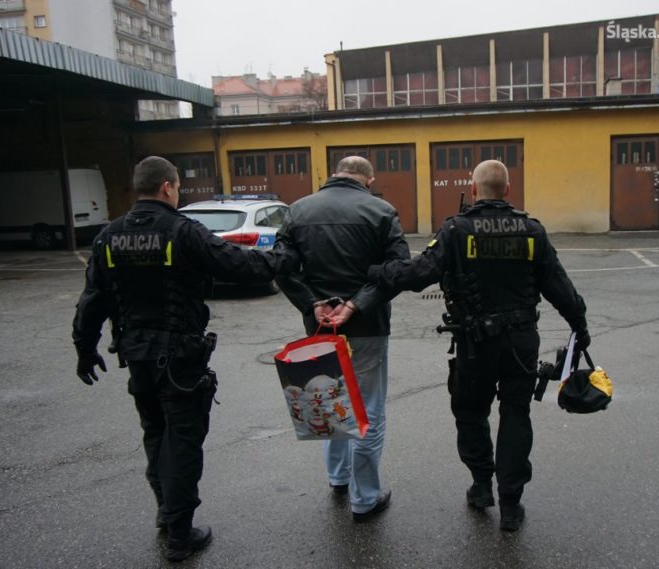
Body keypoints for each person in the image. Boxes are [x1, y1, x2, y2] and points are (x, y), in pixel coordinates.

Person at [72, 156, 299, 562]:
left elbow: (92, 300)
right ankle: (179, 532)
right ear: (167, 187)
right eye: (176, 186)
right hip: (180, 359)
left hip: (137, 357)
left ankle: (166, 510)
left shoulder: (108, 237)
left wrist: (84, 348)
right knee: (183, 440)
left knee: (155, 433)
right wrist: (285, 253)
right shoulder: (183, 232)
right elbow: (245, 266)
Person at [367, 159, 590, 532]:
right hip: (521, 342)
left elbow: (418, 274)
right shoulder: (532, 230)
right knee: (516, 414)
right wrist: (579, 326)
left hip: (474, 344)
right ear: (507, 189)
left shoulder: (456, 230)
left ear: (473, 190)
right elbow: (560, 287)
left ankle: (482, 485)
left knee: (471, 413)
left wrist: (376, 270)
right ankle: (512, 504)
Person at [273, 155, 410, 521]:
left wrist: (312, 304)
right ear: (368, 181)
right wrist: (356, 304)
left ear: (333, 175)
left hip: (320, 327)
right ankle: (364, 499)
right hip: (367, 325)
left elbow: (281, 268)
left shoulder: (298, 210)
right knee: (368, 409)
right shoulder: (381, 210)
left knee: (330, 395)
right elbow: (397, 271)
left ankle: (338, 477)